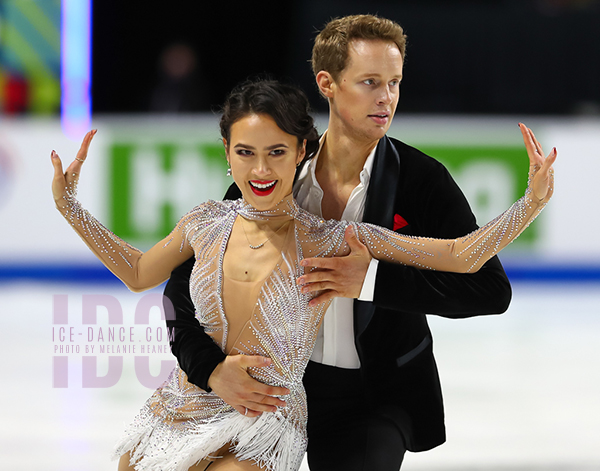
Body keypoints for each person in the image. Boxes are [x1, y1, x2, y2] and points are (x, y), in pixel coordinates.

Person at [51, 78, 554, 471]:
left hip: (265, 418)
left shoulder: (333, 238)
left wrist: (530, 204)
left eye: (276, 152)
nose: (260, 169)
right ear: (227, 153)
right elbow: (139, 272)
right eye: (245, 152)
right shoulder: (204, 222)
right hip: (182, 403)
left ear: (301, 152)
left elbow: (462, 255)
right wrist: (70, 207)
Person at [163, 15, 552, 471]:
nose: (386, 97)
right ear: (327, 83)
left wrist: (370, 280)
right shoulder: (275, 170)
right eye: (370, 82)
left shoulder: (421, 181)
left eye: (394, 82)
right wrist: (209, 368)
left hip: (371, 397)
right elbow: (180, 293)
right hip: (269, 390)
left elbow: (490, 290)